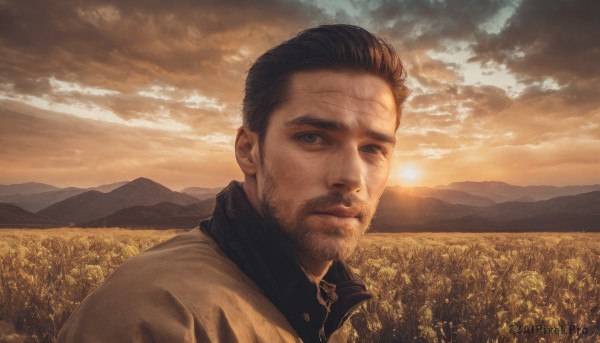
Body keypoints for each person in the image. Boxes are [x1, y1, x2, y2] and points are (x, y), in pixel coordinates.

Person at [57, 24, 409, 343]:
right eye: (313, 138)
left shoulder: (318, 295)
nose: (351, 177)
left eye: (374, 149)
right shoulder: (153, 318)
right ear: (248, 150)